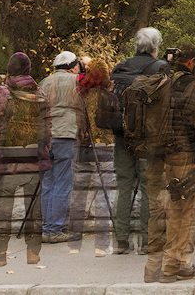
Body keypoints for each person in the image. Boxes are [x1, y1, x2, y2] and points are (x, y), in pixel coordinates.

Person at [141, 43, 195, 284]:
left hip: (155, 156)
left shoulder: (157, 78)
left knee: (157, 212)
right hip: (182, 155)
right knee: (183, 211)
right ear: (191, 62)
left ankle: (152, 268)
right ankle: (174, 266)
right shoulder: (190, 84)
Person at [0, 52, 51, 268]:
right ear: (29, 70)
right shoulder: (41, 95)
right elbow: (47, 131)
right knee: (34, 208)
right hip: (34, 159)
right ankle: (33, 253)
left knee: (3, 208)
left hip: (7, 159)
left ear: (9, 70)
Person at [107, 28, 165, 255]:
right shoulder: (160, 68)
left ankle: (121, 241)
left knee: (123, 186)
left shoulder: (120, 67)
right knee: (148, 186)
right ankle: (147, 241)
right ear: (155, 47)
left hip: (122, 134)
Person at [68, 58, 116, 257]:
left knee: (78, 197)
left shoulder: (79, 94)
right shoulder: (109, 96)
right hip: (104, 149)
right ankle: (102, 245)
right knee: (102, 199)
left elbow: (77, 123)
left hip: (82, 148)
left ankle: (74, 245)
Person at [39, 50, 82, 243]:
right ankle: (54, 229)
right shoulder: (76, 81)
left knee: (48, 182)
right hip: (65, 134)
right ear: (72, 66)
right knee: (62, 182)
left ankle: (47, 226)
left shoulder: (44, 82)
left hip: (46, 135)